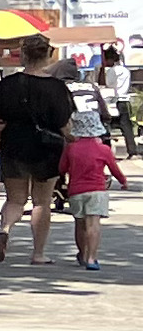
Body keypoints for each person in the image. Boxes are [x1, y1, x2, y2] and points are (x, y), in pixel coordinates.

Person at [0, 39, 79, 263]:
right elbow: (65, 125)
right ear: (48, 55)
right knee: (41, 201)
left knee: (15, 200)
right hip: (47, 148)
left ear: (23, 55)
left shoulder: (8, 84)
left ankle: (5, 230)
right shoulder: (58, 88)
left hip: (15, 144)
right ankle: (38, 253)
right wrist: (74, 141)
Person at [54, 114, 117, 270]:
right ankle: (91, 258)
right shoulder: (104, 149)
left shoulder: (71, 148)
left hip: (76, 190)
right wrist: (123, 182)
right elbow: (114, 168)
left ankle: (82, 254)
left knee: (80, 224)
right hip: (97, 190)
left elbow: (62, 168)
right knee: (93, 224)